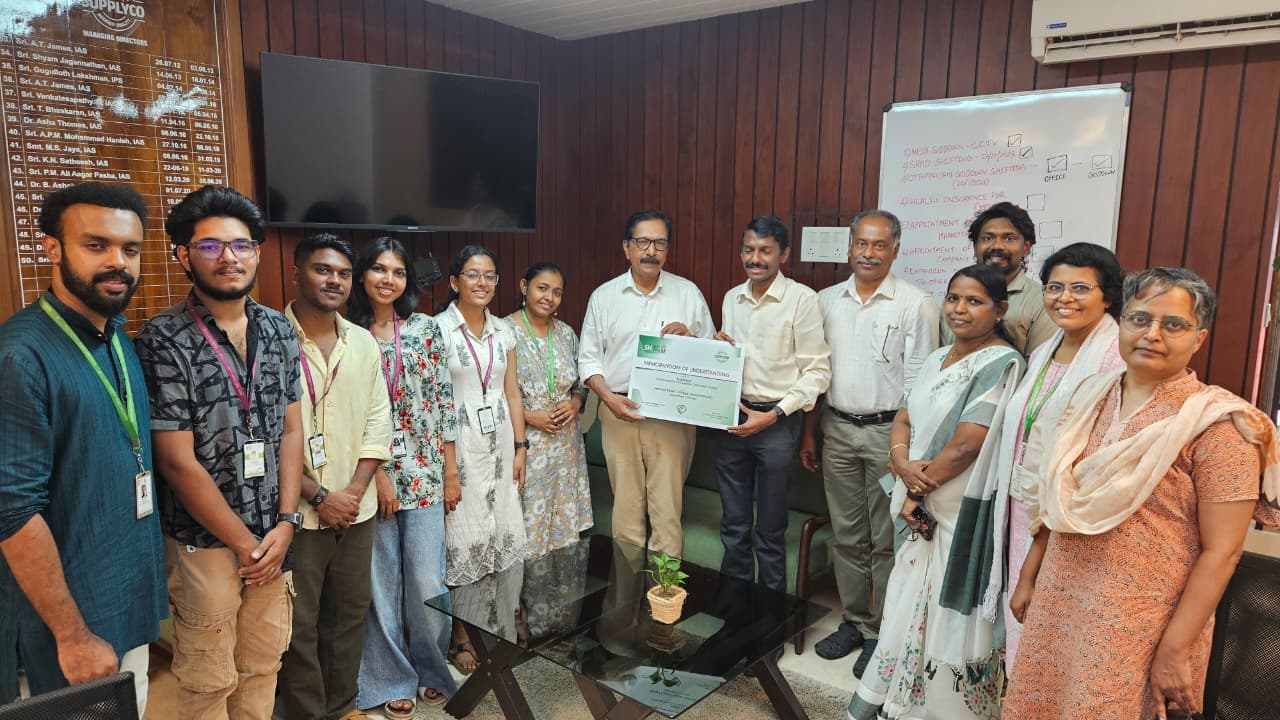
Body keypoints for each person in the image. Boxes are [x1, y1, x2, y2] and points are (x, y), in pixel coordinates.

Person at [1003, 268, 1280, 720]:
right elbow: (1058, 498)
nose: (1152, 334)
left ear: (1199, 338)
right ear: (1121, 323)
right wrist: (1029, 575)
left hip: (1138, 622)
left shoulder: (1219, 426)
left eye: (1173, 324)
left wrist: (1175, 648)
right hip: (1059, 599)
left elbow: (1223, 552)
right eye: (1139, 319)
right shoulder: (1089, 396)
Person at [136, 185, 303, 720]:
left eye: (241, 244)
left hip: (273, 536)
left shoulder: (279, 329)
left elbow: (291, 431)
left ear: (256, 252)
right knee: (209, 681)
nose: (228, 257)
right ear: (184, 256)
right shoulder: (163, 339)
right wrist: (245, 545)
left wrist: (287, 522)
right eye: (210, 246)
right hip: (204, 544)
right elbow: (176, 461)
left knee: (263, 666)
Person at [0, 182, 165, 710]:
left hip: (123, 601)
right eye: (96, 245)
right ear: (53, 249)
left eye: (130, 249)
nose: (118, 262)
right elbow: (13, 510)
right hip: (69, 627)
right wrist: (72, 635)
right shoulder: (21, 356)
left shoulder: (115, 335)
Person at [848, 264, 1023, 720]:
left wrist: (916, 486)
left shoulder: (1001, 363)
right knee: (905, 601)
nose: (959, 309)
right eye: (953, 298)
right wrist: (902, 463)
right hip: (919, 497)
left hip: (955, 510)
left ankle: (940, 710)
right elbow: (904, 417)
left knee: (946, 612)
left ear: (1000, 309)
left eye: (974, 301)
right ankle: (896, 699)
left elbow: (967, 444)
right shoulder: (937, 358)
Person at [801, 209, 939, 675]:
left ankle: (883, 632)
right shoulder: (826, 301)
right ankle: (855, 621)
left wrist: (909, 449)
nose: (869, 253)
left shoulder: (916, 304)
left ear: (895, 250)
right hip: (837, 428)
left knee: (885, 538)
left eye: (880, 245)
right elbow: (817, 373)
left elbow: (921, 382)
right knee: (847, 534)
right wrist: (810, 431)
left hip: (889, 435)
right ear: (849, 247)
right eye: (862, 243)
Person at [993, 242, 1125, 669]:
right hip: (1023, 501)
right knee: (1020, 611)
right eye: (1054, 287)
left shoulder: (1116, 357)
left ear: (1108, 296)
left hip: (1069, 515)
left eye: (1080, 288)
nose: (1064, 298)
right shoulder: (1043, 352)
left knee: (1053, 619)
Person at [280, 233, 392, 720]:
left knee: (348, 613)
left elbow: (379, 420)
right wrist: (320, 495)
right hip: (297, 512)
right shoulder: (271, 338)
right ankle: (307, 713)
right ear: (297, 273)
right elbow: (265, 431)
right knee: (299, 623)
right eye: (323, 270)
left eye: (344, 274)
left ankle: (343, 707)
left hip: (355, 509)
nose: (335, 281)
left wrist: (355, 490)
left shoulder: (362, 342)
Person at [346, 238, 457, 717]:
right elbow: (350, 414)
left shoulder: (427, 329)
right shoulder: (349, 333)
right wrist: (378, 478)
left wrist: (451, 472)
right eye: (378, 269)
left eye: (397, 271)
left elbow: (443, 401)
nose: (387, 279)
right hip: (371, 479)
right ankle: (390, 677)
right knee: (382, 583)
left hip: (426, 474)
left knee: (428, 580)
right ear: (362, 275)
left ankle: (432, 668)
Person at [578, 209, 714, 556]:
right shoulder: (604, 297)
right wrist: (608, 399)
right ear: (626, 247)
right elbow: (588, 359)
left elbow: (712, 357)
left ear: (667, 249)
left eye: (659, 243)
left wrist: (691, 340)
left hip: (672, 417)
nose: (651, 251)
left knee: (667, 513)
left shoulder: (687, 294)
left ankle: (664, 591)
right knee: (625, 512)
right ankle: (625, 589)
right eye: (642, 242)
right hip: (618, 411)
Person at [714, 215, 830, 593]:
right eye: (749, 249)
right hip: (733, 418)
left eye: (765, 250)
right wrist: (717, 350)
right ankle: (735, 608)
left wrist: (775, 414)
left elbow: (818, 373)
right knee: (733, 524)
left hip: (778, 422)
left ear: (784, 254)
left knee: (770, 528)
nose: (755, 258)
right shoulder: (732, 298)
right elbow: (730, 358)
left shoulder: (802, 300)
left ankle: (769, 615)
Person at [436, 245, 528, 673]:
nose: (482, 283)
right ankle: (460, 636)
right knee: (463, 540)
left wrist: (521, 447)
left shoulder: (504, 331)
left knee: (500, 537)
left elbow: (513, 393)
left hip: (501, 450)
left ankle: (496, 628)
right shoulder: (437, 330)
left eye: (490, 276)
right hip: (461, 450)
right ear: (455, 281)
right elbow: (437, 402)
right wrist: (448, 470)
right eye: (473, 275)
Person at [506, 262, 592, 558]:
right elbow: (491, 393)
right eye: (542, 288)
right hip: (526, 447)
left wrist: (575, 403)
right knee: (530, 534)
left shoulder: (566, 333)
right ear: (524, 287)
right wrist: (530, 416)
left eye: (557, 292)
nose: (549, 297)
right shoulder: (504, 331)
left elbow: (582, 382)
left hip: (567, 448)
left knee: (565, 539)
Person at [954, 202, 1055, 357]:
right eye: (987, 238)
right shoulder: (955, 298)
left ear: (1026, 247)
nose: (997, 246)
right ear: (975, 246)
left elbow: (1039, 365)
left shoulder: (1041, 302)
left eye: (1009, 238)